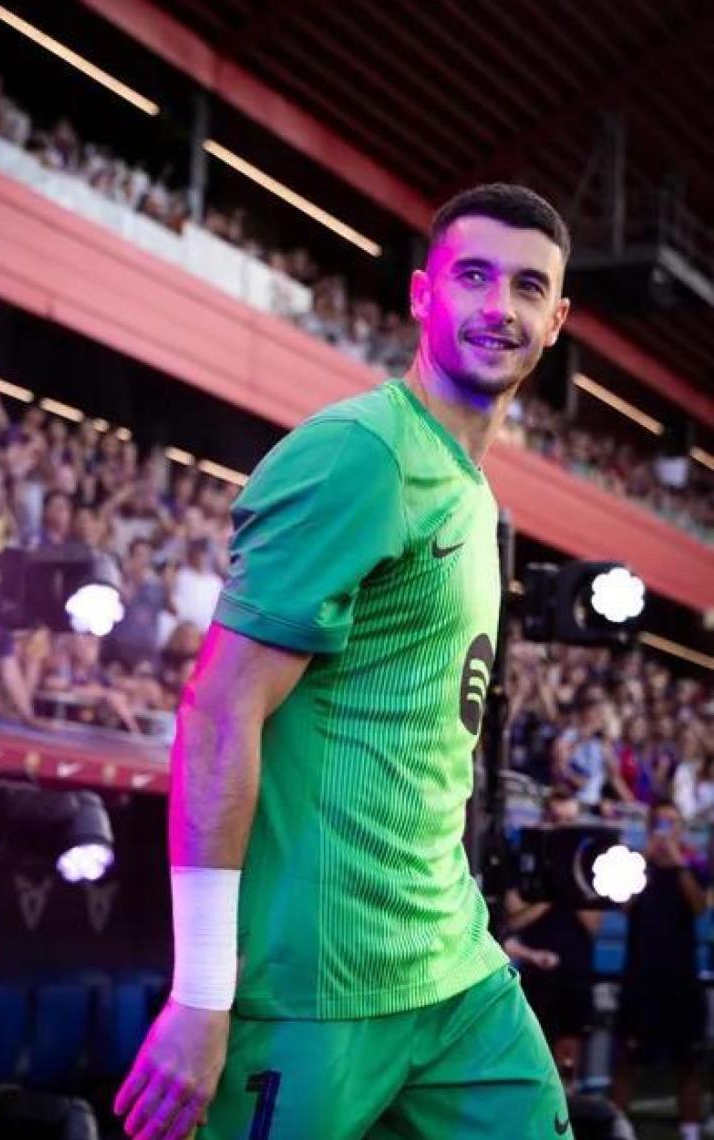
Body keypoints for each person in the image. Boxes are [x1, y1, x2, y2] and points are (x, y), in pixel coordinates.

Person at [116, 183, 573, 1140]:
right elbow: (218, 713)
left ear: (555, 321)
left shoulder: (470, 492)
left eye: (527, 287)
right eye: (473, 277)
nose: (499, 306)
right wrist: (201, 992)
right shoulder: (359, 453)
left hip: (450, 968)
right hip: (313, 985)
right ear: (421, 295)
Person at [611, 800, 708, 1140]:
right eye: (660, 823)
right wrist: (645, 862)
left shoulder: (694, 866)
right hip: (639, 976)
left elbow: (699, 908)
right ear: (650, 827)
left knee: (689, 1062)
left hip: (681, 977)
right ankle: (618, 1129)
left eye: (672, 822)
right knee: (625, 1057)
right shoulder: (636, 866)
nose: (666, 830)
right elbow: (624, 906)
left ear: (681, 828)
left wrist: (678, 863)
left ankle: (690, 1131)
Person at [504, 788, 601, 1088]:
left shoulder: (587, 864)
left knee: (569, 1055)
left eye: (569, 821)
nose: (563, 828)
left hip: (575, 968)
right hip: (533, 971)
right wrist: (552, 889)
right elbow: (513, 918)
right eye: (557, 820)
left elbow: (593, 924)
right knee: (531, 1052)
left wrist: (570, 877)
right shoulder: (524, 858)